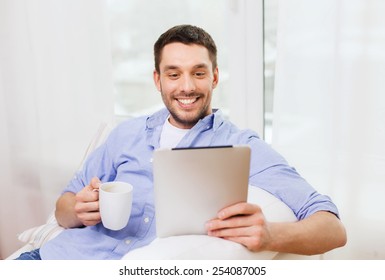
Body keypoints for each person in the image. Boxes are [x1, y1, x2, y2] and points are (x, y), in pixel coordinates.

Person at [16, 24, 346, 260]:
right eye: (173, 74)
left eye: (198, 73)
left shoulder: (240, 145)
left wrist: (271, 235)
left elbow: (332, 229)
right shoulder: (126, 134)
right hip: (50, 260)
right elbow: (63, 208)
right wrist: (78, 209)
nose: (186, 87)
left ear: (215, 77)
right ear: (158, 79)